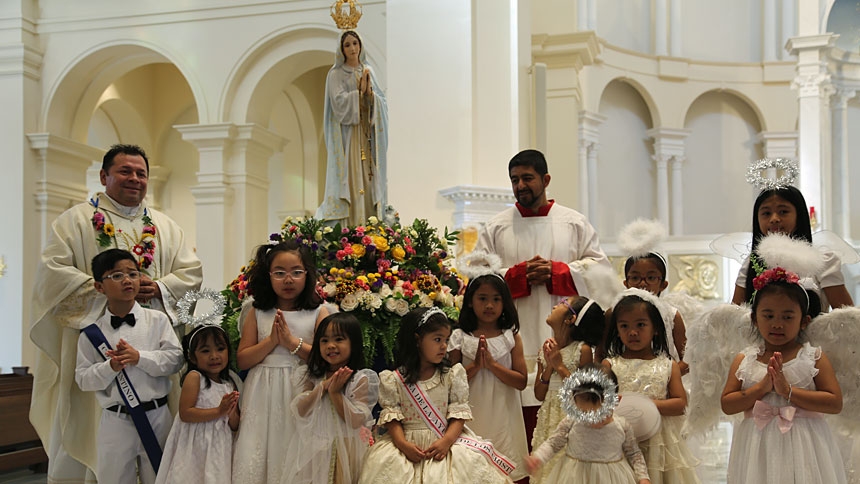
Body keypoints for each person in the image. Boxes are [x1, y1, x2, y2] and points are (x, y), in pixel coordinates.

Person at [30, 144, 202, 482]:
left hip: (151, 343)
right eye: (125, 171)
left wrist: (162, 288)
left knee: (158, 454)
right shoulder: (75, 221)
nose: (134, 179)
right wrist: (109, 291)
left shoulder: (165, 227)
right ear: (104, 176)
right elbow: (52, 274)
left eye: (141, 173)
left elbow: (191, 274)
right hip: (94, 341)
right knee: (94, 440)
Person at [474, 149, 610, 411]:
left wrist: (559, 273)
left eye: (527, 178)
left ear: (545, 180)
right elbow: (478, 279)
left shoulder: (574, 222)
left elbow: (600, 271)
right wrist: (516, 276)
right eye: (514, 180)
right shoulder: (496, 226)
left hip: (565, 335)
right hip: (513, 330)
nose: (520, 186)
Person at [359, 307, 514, 484]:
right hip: (407, 446)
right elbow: (392, 418)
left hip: (445, 443)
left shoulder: (451, 375)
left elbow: (458, 415)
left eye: (446, 340)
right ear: (417, 340)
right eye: (437, 339)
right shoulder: (393, 380)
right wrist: (402, 445)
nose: (444, 346)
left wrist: (447, 441)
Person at [721, 267, 846, 483]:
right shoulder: (745, 359)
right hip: (757, 445)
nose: (777, 324)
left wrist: (787, 391)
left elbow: (834, 403)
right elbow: (728, 404)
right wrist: (760, 389)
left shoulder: (812, 357)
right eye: (768, 315)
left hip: (805, 443)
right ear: (754, 319)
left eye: (787, 317)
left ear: (804, 321)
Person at [74, 249, 184, 484]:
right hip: (116, 420)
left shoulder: (158, 321)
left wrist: (139, 358)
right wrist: (110, 366)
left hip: (157, 416)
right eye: (116, 275)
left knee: (161, 478)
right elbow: (82, 379)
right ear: (99, 287)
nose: (127, 280)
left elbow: (175, 360)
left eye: (133, 274)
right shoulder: (92, 333)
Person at [232, 240, 329, 484]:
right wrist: (272, 341)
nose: (288, 280)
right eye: (280, 273)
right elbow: (242, 360)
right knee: (260, 449)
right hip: (262, 391)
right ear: (269, 276)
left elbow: (324, 359)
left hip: (301, 389)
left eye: (296, 273)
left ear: (307, 275)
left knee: (294, 452)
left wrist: (291, 343)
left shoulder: (319, 312)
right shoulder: (257, 311)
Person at [603, 290, 700, 484]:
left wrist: (642, 404)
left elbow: (680, 404)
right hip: (620, 441)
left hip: (659, 442)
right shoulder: (610, 365)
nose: (632, 332)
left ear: (655, 328)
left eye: (640, 325)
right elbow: (601, 404)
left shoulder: (668, 365)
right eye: (624, 326)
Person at [448, 274, 529, 481]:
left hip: (503, 412)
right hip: (470, 413)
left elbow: (521, 381)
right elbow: (449, 384)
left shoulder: (511, 336)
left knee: (503, 466)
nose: (489, 305)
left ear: (505, 302)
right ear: (469, 302)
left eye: (496, 299)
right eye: (482, 298)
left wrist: (492, 365)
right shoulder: (459, 337)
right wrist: (475, 366)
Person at [283, 313, 380, 484]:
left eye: (339, 339)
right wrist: (322, 387)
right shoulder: (310, 376)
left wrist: (335, 393)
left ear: (354, 343)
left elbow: (356, 420)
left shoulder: (359, 378)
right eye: (324, 340)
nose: (331, 346)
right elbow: (301, 410)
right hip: (314, 450)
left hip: (346, 450)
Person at [524, 364, 651, 484]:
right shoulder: (571, 421)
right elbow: (553, 444)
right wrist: (538, 458)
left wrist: (643, 477)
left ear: (616, 401)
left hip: (612, 478)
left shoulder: (622, 426)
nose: (592, 420)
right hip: (574, 477)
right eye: (584, 413)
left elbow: (634, 454)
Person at [731, 186, 853, 310]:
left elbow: (847, 317)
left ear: (799, 215)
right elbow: (734, 316)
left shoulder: (823, 261)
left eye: (783, 212)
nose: (774, 219)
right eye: (766, 213)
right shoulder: (751, 263)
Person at [316, 29, 389, 226]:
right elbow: (338, 103)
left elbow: (382, 102)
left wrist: (370, 96)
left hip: (367, 134)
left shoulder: (369, 71)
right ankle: (353, 222)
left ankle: (370, 220)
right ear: (341, 49)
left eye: (355, 43)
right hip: (349, 135)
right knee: (352, 174)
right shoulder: (336, 74)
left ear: (360, 45)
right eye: (347, 45)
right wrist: (358, 94)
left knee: (369, 175)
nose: (352, 48)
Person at [531, 296, 604, 483]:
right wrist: (548, 366)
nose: (555, 304)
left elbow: (585, 393)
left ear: (570, 319)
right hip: (548, 417)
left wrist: (560, 365)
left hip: (570, 416)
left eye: (563, 302)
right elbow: (539, 394)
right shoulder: (545, 349)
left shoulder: (582, 350)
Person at [155, 324, 240, 484]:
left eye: (220, 349)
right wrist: (218, 411)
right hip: (195, 445)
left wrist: (231, 412)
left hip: (218, 446)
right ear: (193, 357)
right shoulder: (195, 378)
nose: (214, 356)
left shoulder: (229, 383)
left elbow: (234, 424)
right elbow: (186, 413)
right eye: (205, 351)